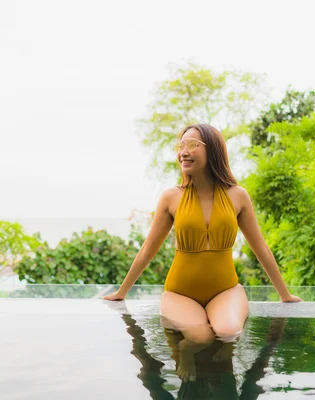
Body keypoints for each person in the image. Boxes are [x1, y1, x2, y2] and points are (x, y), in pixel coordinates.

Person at [103, 123, 301, 380]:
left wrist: (284, 295)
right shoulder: (171, 197)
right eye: (181, 146)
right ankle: (186, 351)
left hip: (225, 290)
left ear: (214, 150)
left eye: (192, 145)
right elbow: (147, 251)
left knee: (228, 332)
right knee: (199, 337)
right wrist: (121, 292)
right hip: (180, 293)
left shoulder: (237, 196)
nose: (183, 152)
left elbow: (260, 247)